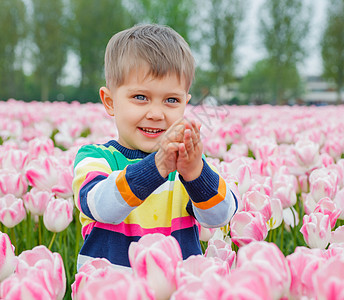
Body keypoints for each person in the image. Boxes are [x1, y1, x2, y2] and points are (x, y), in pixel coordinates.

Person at [72, 24, 238, 270]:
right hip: (114, 290)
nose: (156, 113)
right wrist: (158, 165)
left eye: (171, 100)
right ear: (110, 102)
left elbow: (221, 217)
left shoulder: (187, 166)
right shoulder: (96, 159)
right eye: (140, 97)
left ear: (185, 103)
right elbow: (103, 207)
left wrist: (195, 173)